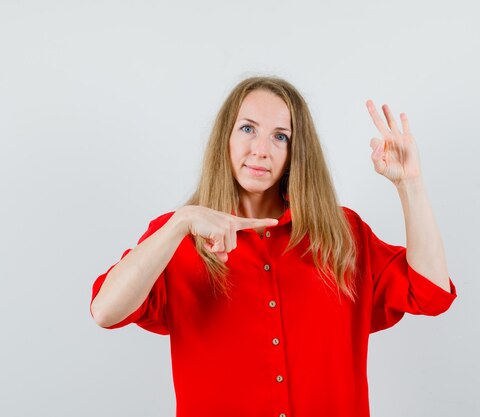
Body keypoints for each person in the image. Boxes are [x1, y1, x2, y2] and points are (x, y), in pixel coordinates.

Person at [90, 76, 457, 417]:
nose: (261, 149)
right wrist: (179, 224)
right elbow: (106, 311)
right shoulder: (175, 237)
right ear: (226, 139)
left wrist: (410, 185)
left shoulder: (343, 232)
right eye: (248, 128)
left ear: (297, 151)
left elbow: (431, 293)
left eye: (280, 136)